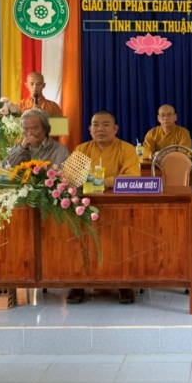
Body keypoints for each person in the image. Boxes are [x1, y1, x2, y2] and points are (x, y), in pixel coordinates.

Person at [67, 111, 141, 305]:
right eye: (96, 125)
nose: (100, 129)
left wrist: (103, 182)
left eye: (106, 125)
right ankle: (78, 284)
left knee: (121, 242)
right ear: (90, 129)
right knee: (79, 242)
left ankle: (125, 284)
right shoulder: (81, 149)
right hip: (85, 206)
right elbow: (70, 179)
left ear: (115, 129)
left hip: (119, 207)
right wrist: (94, 184)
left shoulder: (126, 149)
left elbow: (132, 177)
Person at [5, 109, 69, 167]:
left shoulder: (60, 151)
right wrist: (22, 148)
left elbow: (67, 177)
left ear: (45, 129)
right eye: (25, 129)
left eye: (34, 128)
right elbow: (4, 170)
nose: (29, 133)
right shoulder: (18, 148)